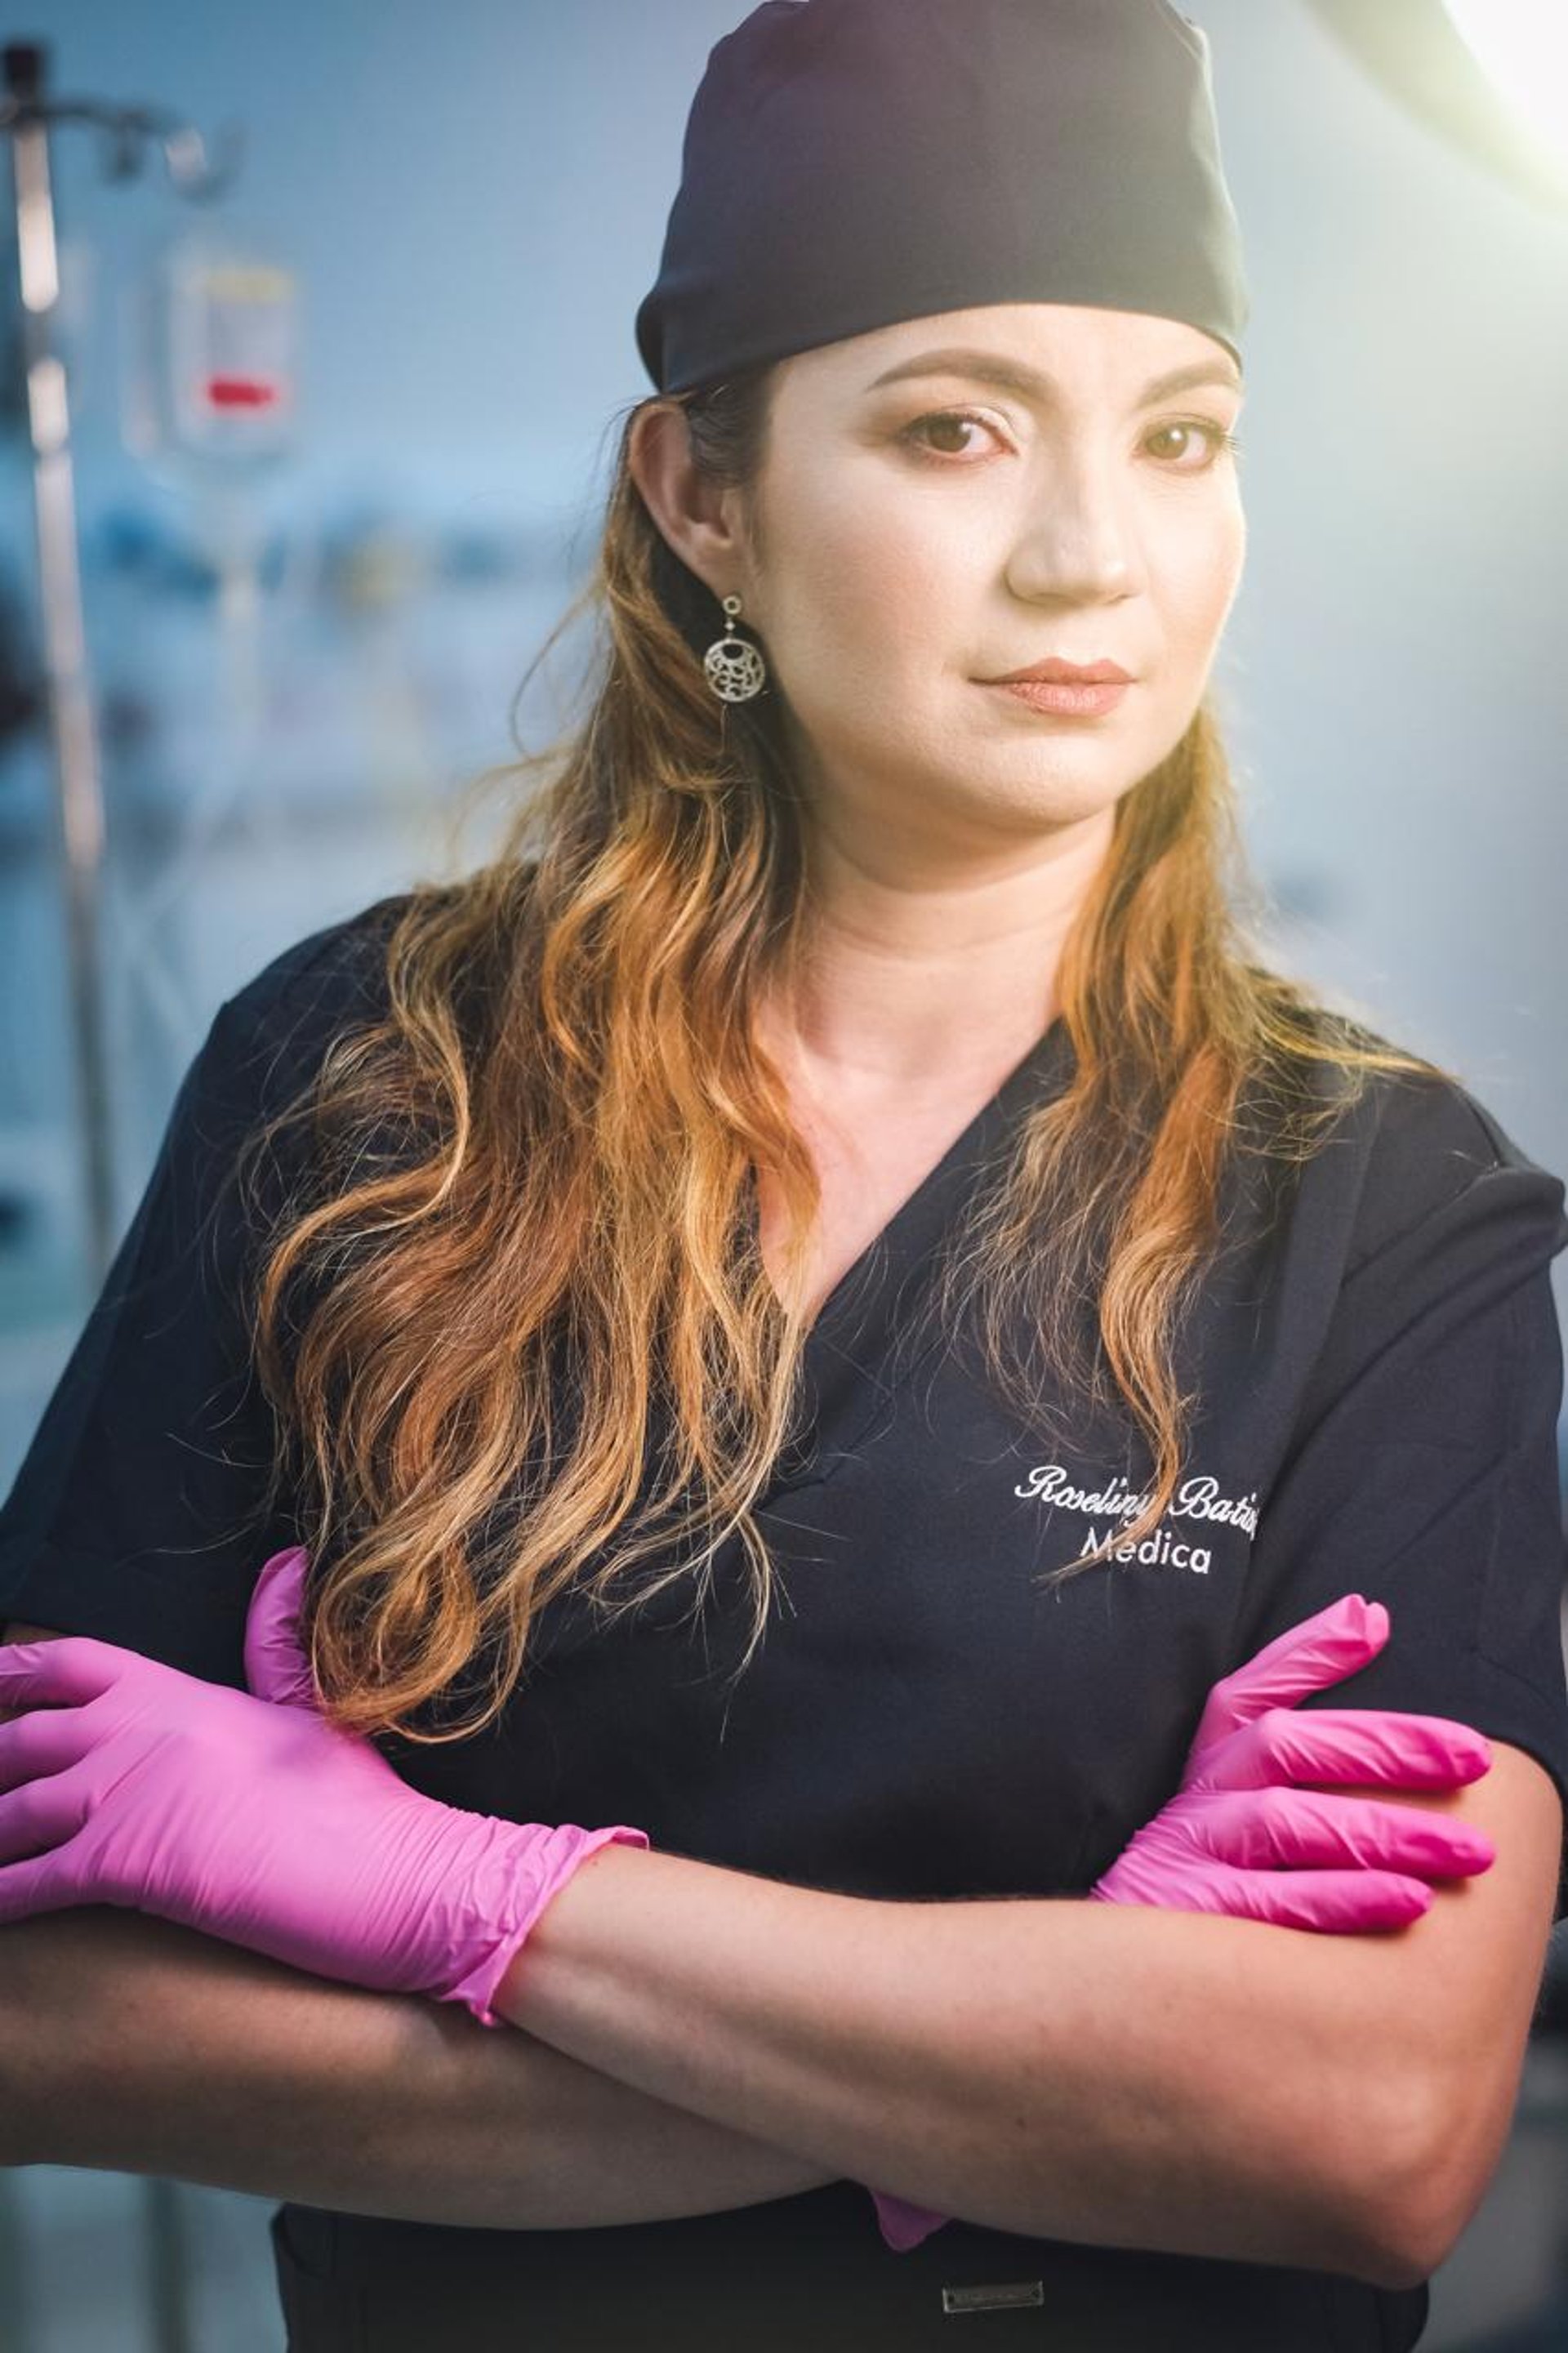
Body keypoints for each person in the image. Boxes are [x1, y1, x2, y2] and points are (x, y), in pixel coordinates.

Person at [1, 2, 1566, 2347]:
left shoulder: (1377, 1205)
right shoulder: (363, 1088)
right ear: (701, 495)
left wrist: (434, 1884)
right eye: (952, 427)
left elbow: (1360, 2130)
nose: (1090, 553)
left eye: (1182, 436)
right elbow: (39, 2006)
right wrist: (1076, 2042)